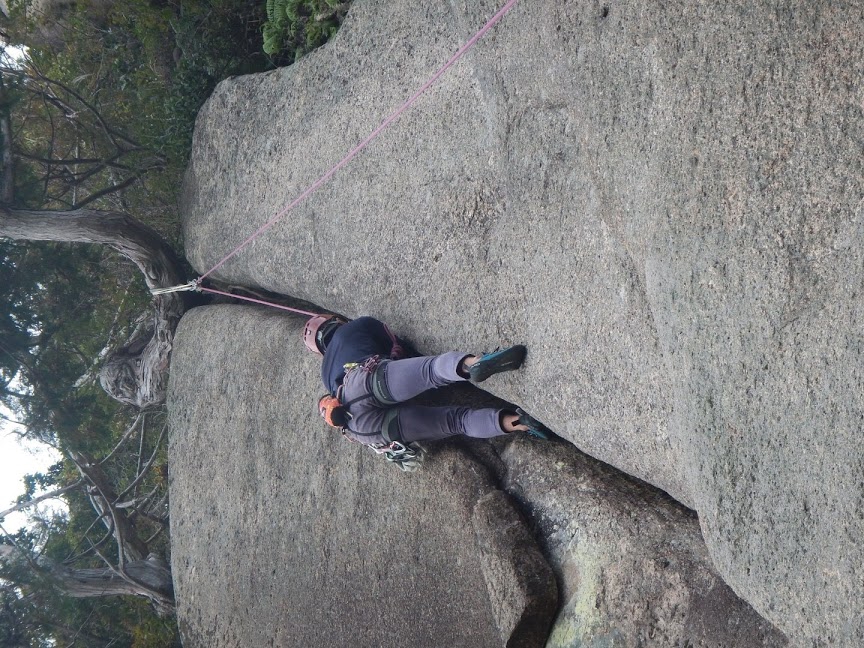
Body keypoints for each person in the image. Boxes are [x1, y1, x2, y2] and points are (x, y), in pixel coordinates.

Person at [303, 314, 551, 450]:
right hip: (367, 383)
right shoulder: (358, 325)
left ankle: (519, 422)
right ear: (334, 321)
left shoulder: (325, 374)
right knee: (433, 371)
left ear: (321, 351)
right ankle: (472, 364)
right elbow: (395, 345)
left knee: (457, 422)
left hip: (364, 429)